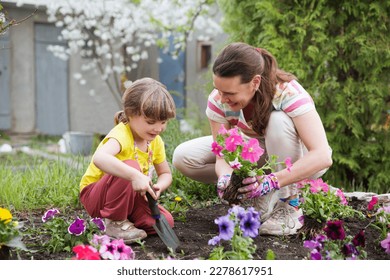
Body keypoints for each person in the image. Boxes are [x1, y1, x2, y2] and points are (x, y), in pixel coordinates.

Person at [173, 42, 332, 235]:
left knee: (278, 122)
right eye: (219, 90)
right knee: (184, 157)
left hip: (298, 158)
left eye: (230, 93)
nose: (222, 98)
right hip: (256, 154)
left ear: (255, 82)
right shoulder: (219, 99)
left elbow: (323, 155)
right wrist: (225, 177)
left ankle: (289, 204)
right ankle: (253, 193)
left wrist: (271, 181)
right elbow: (222, 154)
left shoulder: (287, 93)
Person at [79, 77, 176, 244]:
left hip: (131, 198)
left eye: (163, 122)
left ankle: (124, 220)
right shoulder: (121, 135)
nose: (158, 128)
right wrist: (134, 175)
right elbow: (100, 158)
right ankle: (114, 222)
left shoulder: (154, 141)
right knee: (131, 166)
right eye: (151, 122)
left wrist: (160, 185)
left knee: (165, 221)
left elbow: (165, 173)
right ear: (131, 114)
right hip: (97, 197)